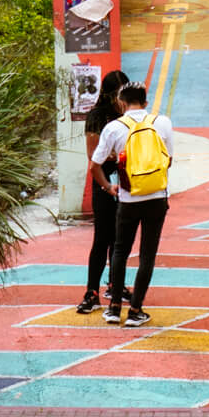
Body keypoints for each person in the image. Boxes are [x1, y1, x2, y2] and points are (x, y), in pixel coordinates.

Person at [90, 81, 174, 327]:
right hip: (157, 198)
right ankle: (136, 309)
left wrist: (109, 186)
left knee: (119, 251)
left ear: (121, 103)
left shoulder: (114, 128)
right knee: (147, 255)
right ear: (145, 102)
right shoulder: (163, 123)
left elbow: (94, 165)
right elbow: (168, 161)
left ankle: (115, 307)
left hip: (127, 199)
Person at [76, 68, 129, 314]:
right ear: (109, 95)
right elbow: (92, 154)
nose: (122, 101)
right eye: (119, 95)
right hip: (104, 180)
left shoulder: (129, 116)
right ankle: (91, 290)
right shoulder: (98, 116)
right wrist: (116, 155)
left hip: (125, 180)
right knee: (102, 237)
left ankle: (115, 285)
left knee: (120, 240)